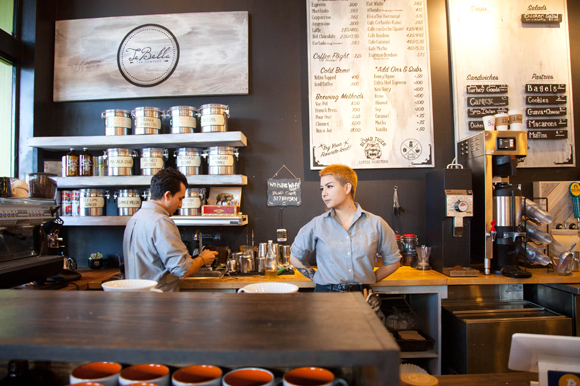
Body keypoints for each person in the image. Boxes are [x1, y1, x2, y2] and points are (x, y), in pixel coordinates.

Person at [290, 164, 401, 294]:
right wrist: (316, 277)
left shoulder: (376, 223)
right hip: (325, 297)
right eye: (322, 188)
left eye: (329, 186)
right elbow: (295, 257)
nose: (324, 193)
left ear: (347, 187)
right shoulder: (317, 224)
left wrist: (368, 281)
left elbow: (393, 262)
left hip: (362, 296)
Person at [123, 168, 217, 292]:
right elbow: (183, 269)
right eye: (180, 198)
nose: (180, 205)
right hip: (160, 301)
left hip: (137, 299)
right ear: (167, 195)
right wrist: (202, 259)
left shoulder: (135, 218)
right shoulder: (161, 221)